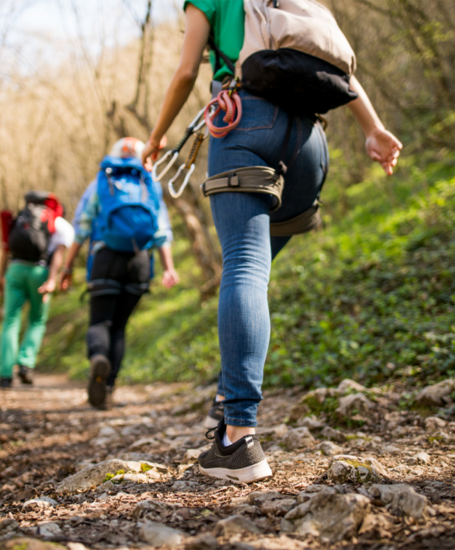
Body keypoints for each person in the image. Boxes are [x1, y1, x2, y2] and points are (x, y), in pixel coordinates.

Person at [141, 1, 402, 483]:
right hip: (310, 145)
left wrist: (157, 137)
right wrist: (373, 127)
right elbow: (338, 63)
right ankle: (226, 396)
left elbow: (183, 73)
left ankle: (237, 438)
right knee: (252, 269)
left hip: (243, 122)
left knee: (244, 265)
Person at [60, 137, 179, 410]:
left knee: (100, 322)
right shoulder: (150, 183)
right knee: (120, 327)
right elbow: (161, 231)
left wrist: (67, 268)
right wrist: (169, 268)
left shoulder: (102, 181)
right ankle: (109, 388)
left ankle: (98, 358)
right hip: (139, 262)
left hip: (105, 258)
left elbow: (81, 227)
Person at [0, 192, 74, 388]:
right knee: (37, 320)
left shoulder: (21, 219)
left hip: (15, 269)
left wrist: (0, 276)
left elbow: (6, 248)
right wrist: (51, 280)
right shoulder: (59, 223)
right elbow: (58, 253)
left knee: (10, 321)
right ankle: (25, 363)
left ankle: (5, 374)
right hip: (39, 271)